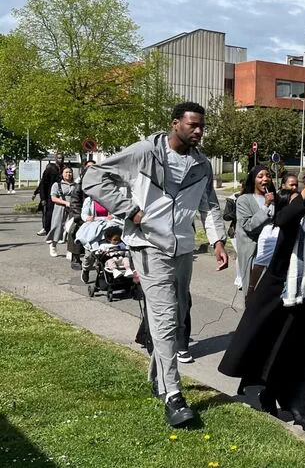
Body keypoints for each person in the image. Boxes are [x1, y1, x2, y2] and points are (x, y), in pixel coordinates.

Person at [83, 101, 228, 428]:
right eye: (193, 125)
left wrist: (218, 240)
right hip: (148, 246)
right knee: (164, 318)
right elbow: (94, 179)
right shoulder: (145, 152)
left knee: (175, 315)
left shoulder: (202, 165)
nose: (199, 131)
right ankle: (173, 396)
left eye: (202, 126)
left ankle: (156, 376)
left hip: (183, 250)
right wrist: (129, 210)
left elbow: (210, 206)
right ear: (175, 123)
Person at [219, 174, 305, 444]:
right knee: (284, 355)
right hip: (293, 303)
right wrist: (303, 190)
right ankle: (270, 395)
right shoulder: (298, 221)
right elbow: (282, 220)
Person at [235, 166, 276, 298]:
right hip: (255, 255)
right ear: (253, 180)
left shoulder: (275, 199)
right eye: (260, 176)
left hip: (273, 255)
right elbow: (248, 226)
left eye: (268, 176)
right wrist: (265, 206)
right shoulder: (244, 200)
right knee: (254, 295)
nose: (265, 179)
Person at [45, 166, 77, 257]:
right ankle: (53, 245)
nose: (68, 174)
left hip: (73, 208)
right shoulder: (57, 185)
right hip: (60, 208)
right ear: (62, 174)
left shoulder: (76, 185)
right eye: (66, 172)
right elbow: (53, 198)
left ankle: (70, 250)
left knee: (71, 229)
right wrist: (65, 202)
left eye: (70, 172)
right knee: (57, 226)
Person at [35, 155, 63, 236]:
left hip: (61, 195)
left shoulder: (64, 169)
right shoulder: (50, 169)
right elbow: (43, 184)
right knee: (49, 213)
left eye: (62, 158)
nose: (60, 159)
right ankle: (46, 229)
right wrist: (43, 198)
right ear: (55, 159)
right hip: (49, 195)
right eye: (59, 158)